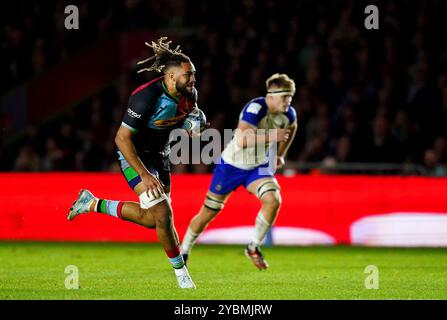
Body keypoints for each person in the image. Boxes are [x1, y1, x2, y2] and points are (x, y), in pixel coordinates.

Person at [67, 37, 198, 288]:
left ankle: (93, 203)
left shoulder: (189, 93)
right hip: (136, 156)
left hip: (160, 156)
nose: (192, 79)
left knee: (154, 220)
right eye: (188, 74)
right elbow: (121, 137)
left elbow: (185, 117)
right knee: (164, 213)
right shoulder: (145, 97)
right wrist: (144, 174)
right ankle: (182, 276)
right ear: (170, 76)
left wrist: (192, 123)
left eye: (194, 74)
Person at [181, 73, 298, 270]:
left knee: (273, 199)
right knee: (208, 213)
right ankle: (183, 250)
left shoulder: (289, 114)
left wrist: (280, 154)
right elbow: (243, 140)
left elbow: (291, 129)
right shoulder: (255, 108)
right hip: (232, 166)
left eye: (290, 97)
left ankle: (253, 247)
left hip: (258, 167)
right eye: (284, 97)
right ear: (270, 96)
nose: (288, 101)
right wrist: (273, 136)